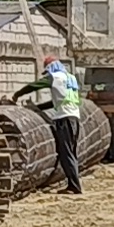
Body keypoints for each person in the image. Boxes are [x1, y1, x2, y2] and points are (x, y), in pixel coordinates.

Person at [34, 56, 89, 195]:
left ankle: (75, 187)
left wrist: (17, 95)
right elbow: (60, 101)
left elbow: (33, 86)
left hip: (64, 120)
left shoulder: (56, 78)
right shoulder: (70, 78)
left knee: (66, 154)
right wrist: (39, 107)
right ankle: (73, 184)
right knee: (71, 153)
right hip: (74, 119)